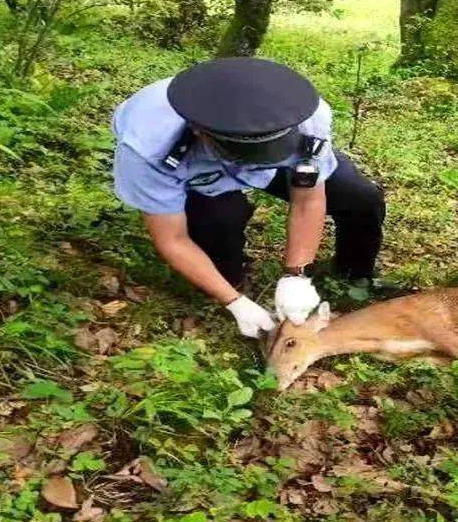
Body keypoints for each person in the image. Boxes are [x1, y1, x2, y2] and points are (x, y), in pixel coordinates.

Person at [111, 57, 385, 338]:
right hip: (200, 175)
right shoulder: (148, 146)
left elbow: (308, 199)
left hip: (277, 159)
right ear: (199, 131)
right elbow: (173, 239)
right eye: (249, 156)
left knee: (360, 198)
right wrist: (234, 301)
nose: (255, 166)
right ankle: (232, 283)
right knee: (219, 235)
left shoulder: (306, 117)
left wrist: (295, 274)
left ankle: (353, 275)